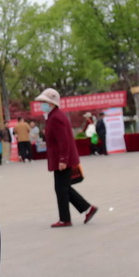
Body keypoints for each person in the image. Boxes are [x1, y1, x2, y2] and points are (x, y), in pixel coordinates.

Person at [34, 89, 97, 227]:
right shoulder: (53, 116)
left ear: (51, 103)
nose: (41, 105)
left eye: (43, 102)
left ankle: (66, 219)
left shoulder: (56, 117)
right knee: (63, 188)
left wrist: (63, 159)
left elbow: (64, 141)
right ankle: (87, 208)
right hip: (61, 158)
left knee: (61, 188)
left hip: (63, 160)